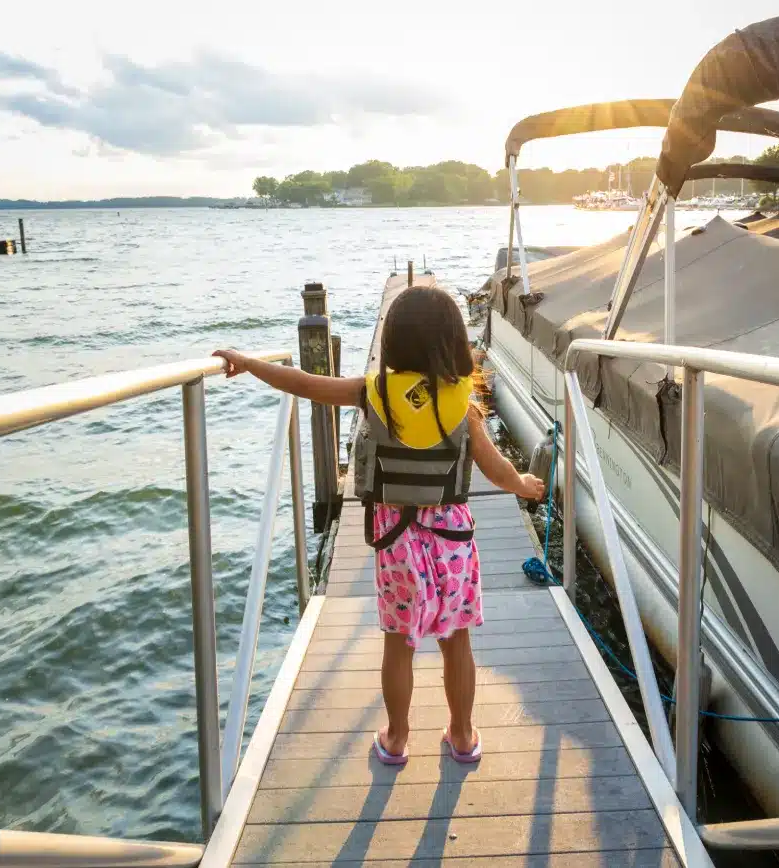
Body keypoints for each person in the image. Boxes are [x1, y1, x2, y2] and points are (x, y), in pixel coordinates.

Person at [213, 286, 544, 767]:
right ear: (452, 341)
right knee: (457, 640)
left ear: (392, 344)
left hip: (396, 542)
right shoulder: (462, 403)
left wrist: (249, 363)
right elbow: (496, 469)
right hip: (451, 538)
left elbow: (304, 382)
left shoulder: (372, 392)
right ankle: (464, 734)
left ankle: (396, 737)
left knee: (398, 643)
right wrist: (525, 485)